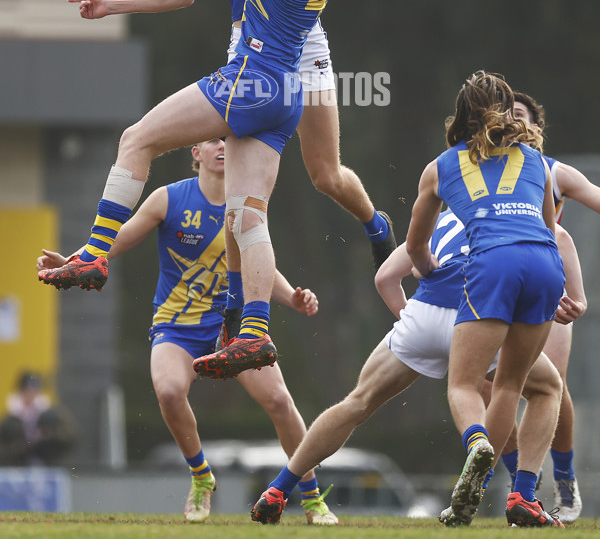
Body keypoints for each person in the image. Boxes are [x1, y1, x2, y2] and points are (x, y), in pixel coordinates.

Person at [38, 0, 410, 381]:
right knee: (262, 204)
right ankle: (251, 327)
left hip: (293, 44)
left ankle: (372, 226)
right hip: (260, 46)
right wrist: (113, 5)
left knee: (321, 173)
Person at [37, 140, 337, 524]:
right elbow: (122, 234)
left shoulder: (245, 204)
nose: (223, 146)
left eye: (229, 140)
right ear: (195, 152)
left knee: (280, 401)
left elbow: (260, 264)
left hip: (232, 328)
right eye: (213, 140)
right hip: (176, 326)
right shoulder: (168, 198)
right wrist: (79, 259)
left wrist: (293, 298)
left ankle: (313, 500)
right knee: (169, 390)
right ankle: (201, 477)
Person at [249, 208, 583, 525]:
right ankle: (522, 495)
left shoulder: (444, 215)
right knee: (545, 388)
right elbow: (547, 255)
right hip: (479, 316)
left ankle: (278, 489)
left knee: (357, 402)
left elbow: (385, 278)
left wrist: (414, 324)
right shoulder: (517, 218)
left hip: (423, 314)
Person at [404, 71, 566, 527]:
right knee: (524, 387)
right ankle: (524, 497)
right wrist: (560, 289)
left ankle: (477, 443)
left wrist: (428, 269)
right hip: (544, 264)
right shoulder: (536, 159)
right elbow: (550, 230)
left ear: (461, 114)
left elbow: (417, 246)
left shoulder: (440, 166)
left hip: (493, 265)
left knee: (463, 384)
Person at [501, 90, 594, 522]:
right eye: (504, 115)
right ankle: (523, 486)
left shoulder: (554, 172)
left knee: (551, 384)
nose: (512, 121)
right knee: (488, 387)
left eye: (520, 115)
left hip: (548, 294)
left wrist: (575, 294)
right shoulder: (478, 169)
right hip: (499, 289)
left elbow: (564, 234)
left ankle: (564, 480)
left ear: (536, 127)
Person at [0, 371, 75, 466]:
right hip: (18, 463)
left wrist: (50, 435)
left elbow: (68, 438)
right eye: (28, 390)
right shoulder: (10, 419)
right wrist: (20, 445)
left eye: (35, 391)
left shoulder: (50, 414)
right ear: (21, 391)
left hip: (46, 460)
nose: (31, 395)